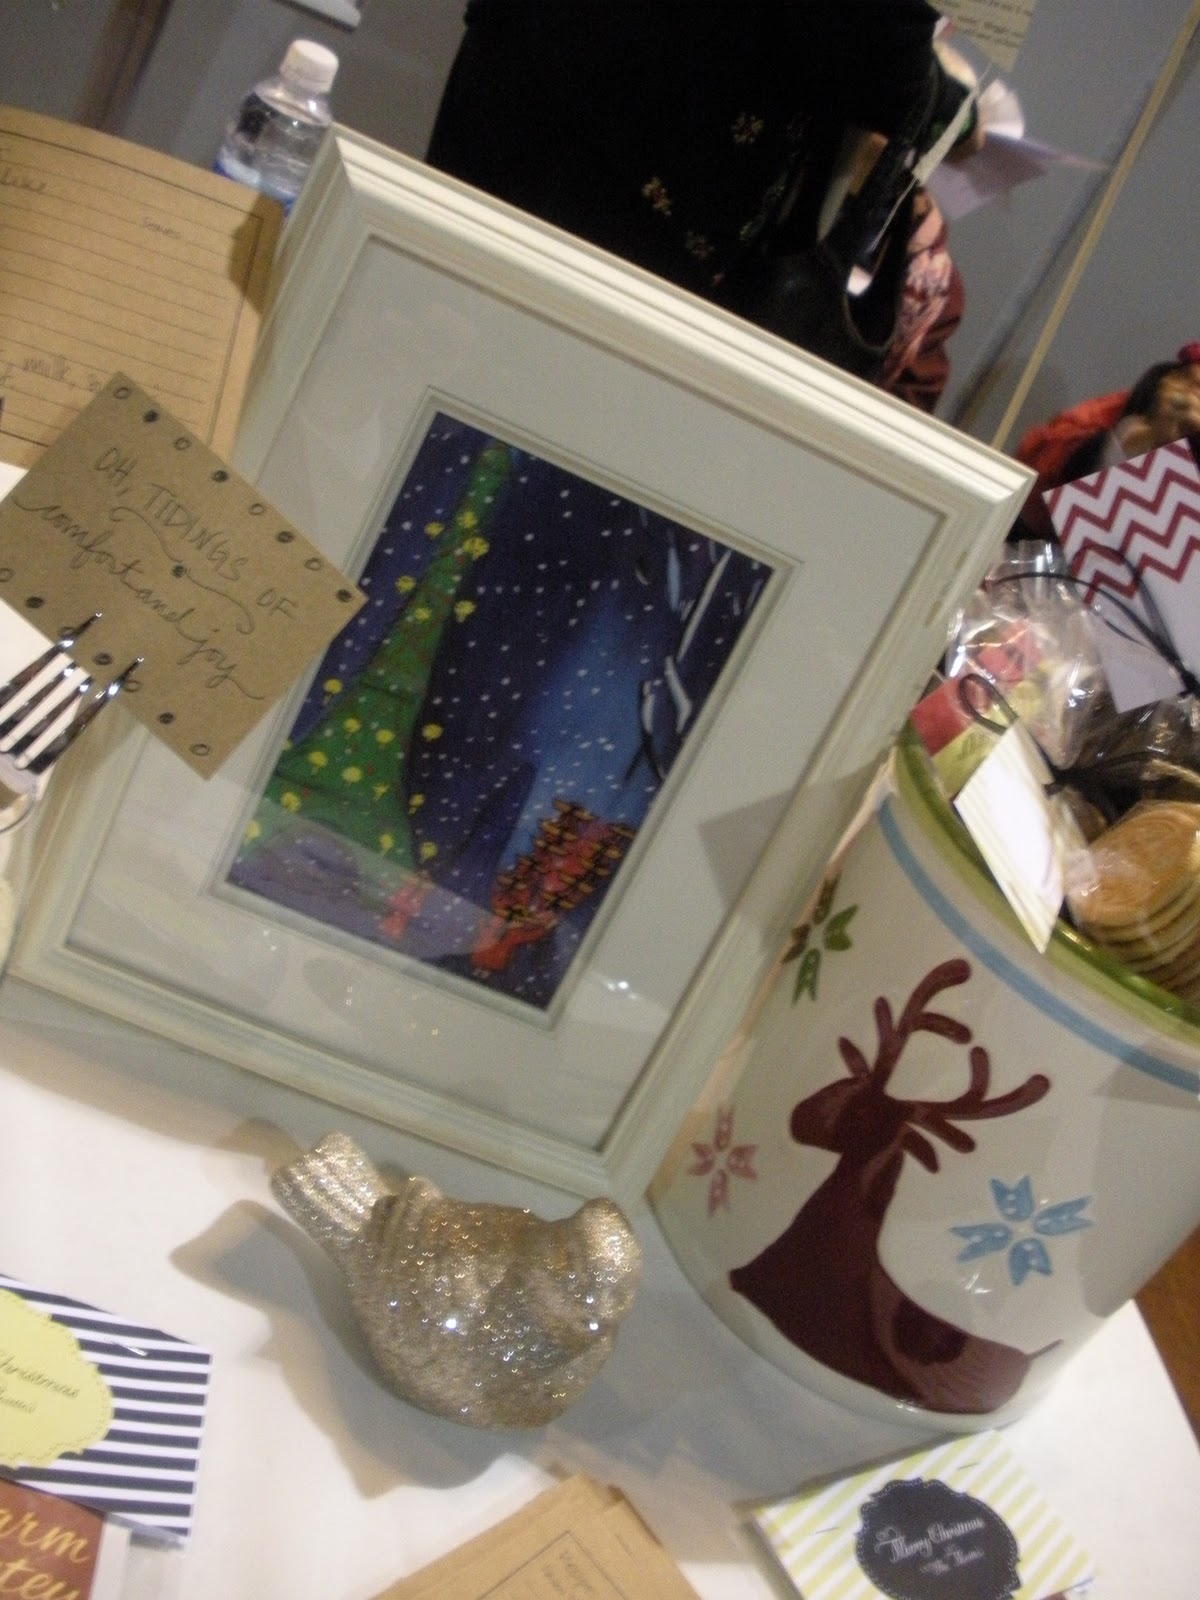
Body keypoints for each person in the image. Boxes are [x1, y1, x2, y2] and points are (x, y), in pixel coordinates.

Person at [426, 2, 975, 400]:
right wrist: (951, 103)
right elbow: (875, 55)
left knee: (432, 362)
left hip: (532, 88)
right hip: (638, 192)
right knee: (519, 428)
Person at [1009, 344, 1200, 541]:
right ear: (1172, 379)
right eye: (1191, 384)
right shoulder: (1127, 409)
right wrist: (1135, 443)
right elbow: (1036, 471)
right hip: (1047, 544)